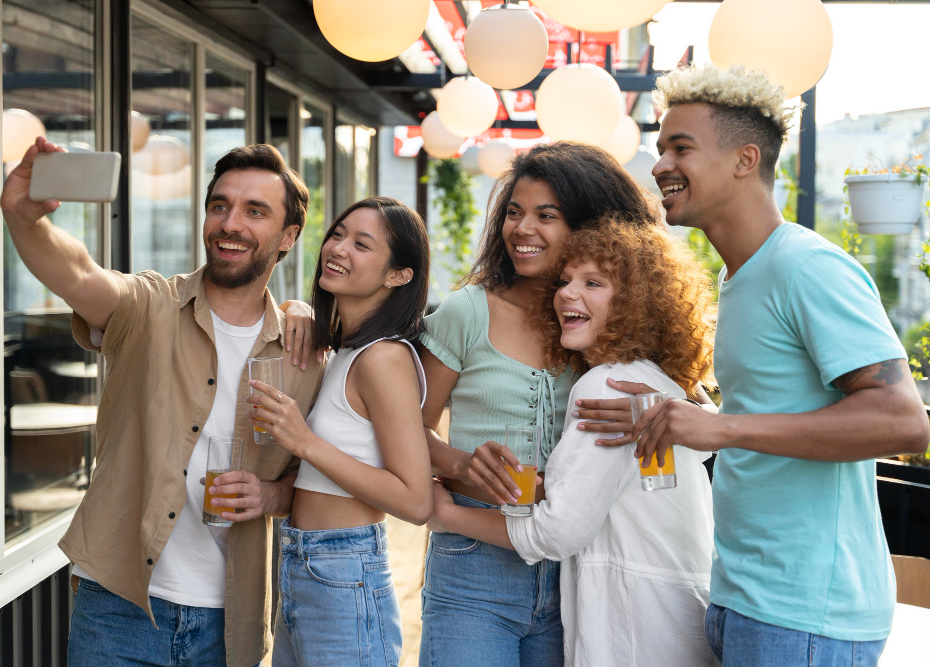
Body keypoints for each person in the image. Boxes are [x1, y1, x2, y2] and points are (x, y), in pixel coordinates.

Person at [625, 65, 930, 666]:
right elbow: (774, 414)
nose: (660, 164)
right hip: (749, 599)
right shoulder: (740, 276)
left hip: (806, 615)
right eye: (660, 148)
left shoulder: (807, 267)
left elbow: (904, 422)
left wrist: (725, 428)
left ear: (745, 159)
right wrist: (697, 415)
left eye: (680, 147)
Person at [0, 139, 324, 667]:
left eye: (254, 211)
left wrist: (269, 495)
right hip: (118, 607)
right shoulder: (151, 306)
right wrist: (25, 221)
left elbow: (317, 483)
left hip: (232, 619)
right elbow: (81, 274)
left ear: (288, 236)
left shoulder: (304, 353)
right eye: (219, 205)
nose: (229, 223)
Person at [418, 141, 663, 666]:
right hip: (473, 559)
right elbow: (408, 430)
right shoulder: (468, 312)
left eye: (545, 215)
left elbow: (690, 414)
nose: (521, 229)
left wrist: (656, 413)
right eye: (513, 212)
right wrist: (462, 464)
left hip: (582, 566)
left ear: (591, 227)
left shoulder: (606, 327)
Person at [429, 219, 717, 666]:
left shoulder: (606, 386)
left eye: (593, 283)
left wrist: (446, 513)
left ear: (636, 303)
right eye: (564, 281)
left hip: (632, 627)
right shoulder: (657, 385)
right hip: (679, 617)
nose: (565, 293)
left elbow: (555, 531)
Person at [245, 197, 433, 666]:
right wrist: (297, 307)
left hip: (344, 566)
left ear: (398, 275)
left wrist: (305, 442)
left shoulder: (384, 359)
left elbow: (414, 500)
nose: (339, 248)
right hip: (301, 560)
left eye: (362, 244)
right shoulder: (346, 350)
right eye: (338, 233)